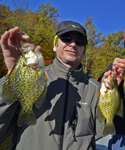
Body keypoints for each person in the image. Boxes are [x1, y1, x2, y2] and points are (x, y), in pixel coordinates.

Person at [0, 21, 104, 150]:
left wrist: (117, 91)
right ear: (55, 45)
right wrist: (12, 77)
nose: (72, 44)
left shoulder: (95, 88)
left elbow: (103, 130)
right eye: (66, 38)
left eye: (79, 42)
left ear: (84, 52)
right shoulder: (34, 77)